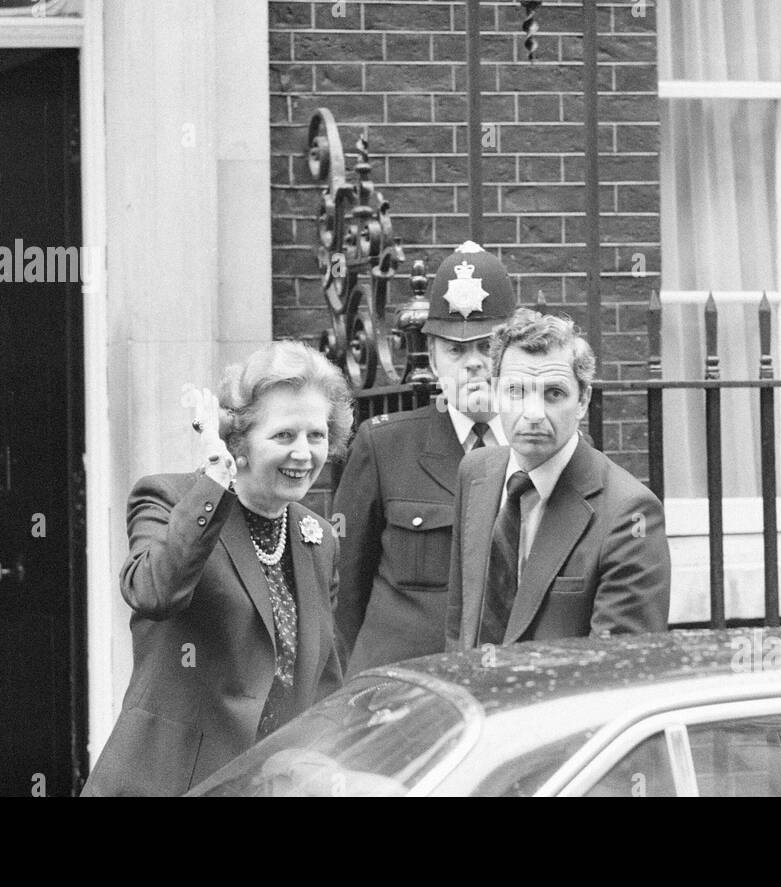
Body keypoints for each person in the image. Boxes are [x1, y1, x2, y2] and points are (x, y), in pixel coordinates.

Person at [82, 341, 351, 796]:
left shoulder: (318, 536)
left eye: (317, 435)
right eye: (284, 436)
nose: (304, 453)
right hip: (174, 781)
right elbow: (154, 593)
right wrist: (215, 479)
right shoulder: (170, 499)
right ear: (239, 443)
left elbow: (323, 682)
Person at [334, 242, 514, 675]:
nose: (473, 365)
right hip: (404, 696)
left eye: (486, 347)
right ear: (432, 359)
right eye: (455, 350)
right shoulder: (384, 447)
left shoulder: (538, 449)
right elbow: (343, 594)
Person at [447, 308, 671, 650]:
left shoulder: (629, 513)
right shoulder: (475, 473)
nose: (533, 413)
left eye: (553, 393)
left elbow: (615, 672)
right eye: (516, 391)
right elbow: (460, 627)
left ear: (583, 400)